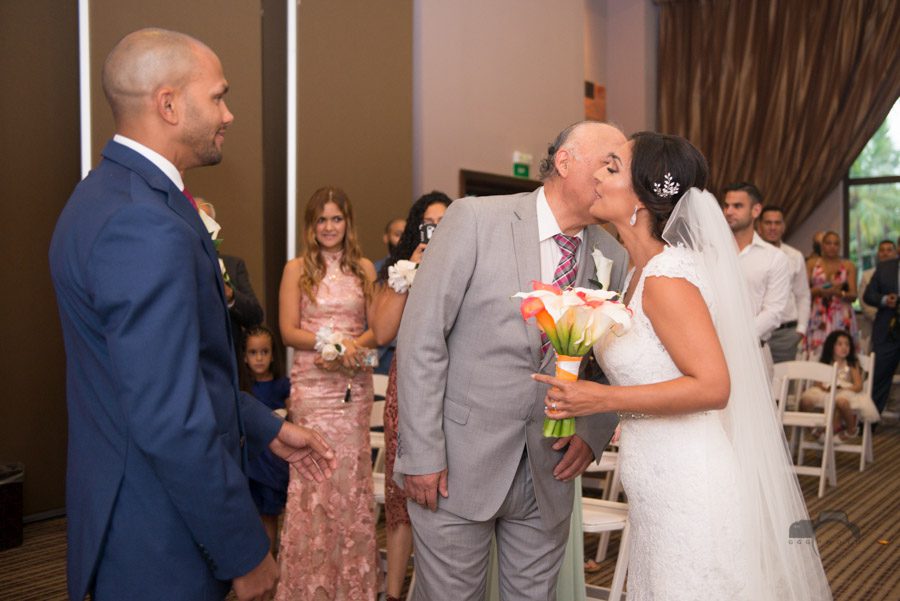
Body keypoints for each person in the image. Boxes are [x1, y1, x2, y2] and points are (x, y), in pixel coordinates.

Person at [48, 28, 335, 601]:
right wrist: (243, 550)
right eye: (219, 97)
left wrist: (265, 427)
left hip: (135, 518)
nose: (228, 114)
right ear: (169, 104)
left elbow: (167, 373)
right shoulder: (143, 222)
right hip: (157, 535)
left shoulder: (104, 194)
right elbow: (168, 413)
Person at [536, 131, 831, 600]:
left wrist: (603, 398)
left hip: (692, 485)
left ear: (641, 198)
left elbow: (713, 387)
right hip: (658, 484)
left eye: (612, 168)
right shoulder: (638, 272)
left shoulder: (667, 279)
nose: (597, 175)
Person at [394, 121, 629, 600]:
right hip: (455, 465)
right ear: (565, 161)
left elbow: (612, 363)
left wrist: (591, 433)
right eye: (611, 165)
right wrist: (421, 453)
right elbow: (422, 339)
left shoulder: (612, 256)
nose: (620, 179)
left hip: (549, 470)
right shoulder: (476, 220)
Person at [276, 186, 380, 600]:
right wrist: (329, 343)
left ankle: (350, 588)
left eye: (336, 218)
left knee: (350, 482)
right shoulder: (295, 269)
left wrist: (352, 347)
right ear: (311, 225)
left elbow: (377, 329)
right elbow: (288, 330)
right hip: (313, 388)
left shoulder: (365, 269)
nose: (329, 227)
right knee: (312, 480)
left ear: (348, 223)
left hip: (352, 387)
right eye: (321, 219)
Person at [370, 191, 452, 601]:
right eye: (429, 225)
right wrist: (411, 271)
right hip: (405, 389)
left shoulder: (466, 266)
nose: (435, 232)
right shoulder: (400, 269)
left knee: (450, 495)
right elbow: (382, 332)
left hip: (454, 388)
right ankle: (394, 594)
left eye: (444, 224)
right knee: (401, 497)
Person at [723, 183, 790, 370]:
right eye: (726, 206)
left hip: (753, 352)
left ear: (756, 210)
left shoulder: (774, 257)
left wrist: (736, 338)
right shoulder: (711, 251)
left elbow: (773, 312)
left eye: (737, 206)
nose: (729, 211)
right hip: (714, 350)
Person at [241, 325, 292, 554]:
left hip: (273, 462)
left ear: (273, 355)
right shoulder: (243, 389)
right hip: (251, 460)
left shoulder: (282, 386)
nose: (259, 358)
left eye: (264, 352)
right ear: (244, 356)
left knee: (270, 515)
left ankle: (270, 558)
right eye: (253, 352)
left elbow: (293, 418)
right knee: (251, 514)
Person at [197, 198, 265, 363]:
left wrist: (230, 296)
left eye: (207, 223)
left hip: (228, 359)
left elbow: (256, 317)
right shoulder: (176, 267)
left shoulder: (233, 266)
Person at [800, 330, 879, 443]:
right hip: (826, 392)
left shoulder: (851, 363)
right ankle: (812, 428)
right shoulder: (825, 362)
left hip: (847, 392)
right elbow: (818, 383)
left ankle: (851, 429)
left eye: (847, 344)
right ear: (831, 346)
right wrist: (825, 389)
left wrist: (843, 389)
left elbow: (858, 386)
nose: (844, 347)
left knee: (841, 402)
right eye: (839, 344)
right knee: (805, 400)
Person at [757, 205, 812, 362]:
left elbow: (803, 294)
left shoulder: (794, 256)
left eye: (777, 223)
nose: (773, 227)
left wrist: (801, 329)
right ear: (759, 226)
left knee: (785, 377)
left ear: (783, 226)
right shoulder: (749, 253)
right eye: (768, 223)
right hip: (756, 332)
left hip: (786, 334)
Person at [806, 231, 859, 355]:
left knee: (842, 351)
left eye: (836, 244)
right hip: (818, 312)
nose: (832, 247)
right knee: (817, 352)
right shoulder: (812, 263)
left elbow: (854, 295)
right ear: (822, 245)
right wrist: (819, 291)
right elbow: (803, 293)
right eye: (828, 243)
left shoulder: (848, 265)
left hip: (841, 313)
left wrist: (839, 293)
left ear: (840, 246)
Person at [863, 251, 900, 414]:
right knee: (878, 378)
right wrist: (885, 299)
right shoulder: (885, 267)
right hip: (887, 331)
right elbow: (868, 295)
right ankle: (868, 422)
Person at [859, 240, 897, 336]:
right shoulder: (867, 275)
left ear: (896, 253)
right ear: (878, 254)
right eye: (882, 250)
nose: (885, 253)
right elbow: (864, 302)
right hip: (875, 324)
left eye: (889, 250)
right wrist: (881, 319)